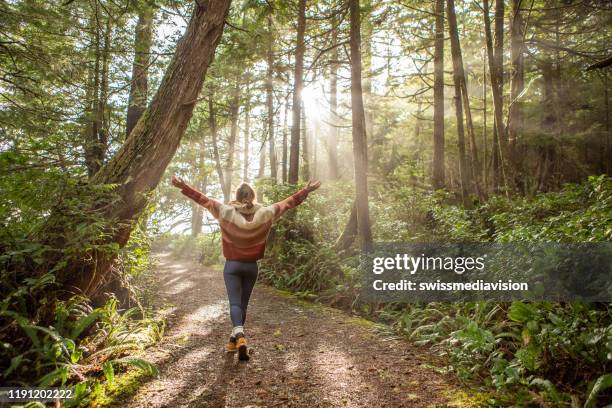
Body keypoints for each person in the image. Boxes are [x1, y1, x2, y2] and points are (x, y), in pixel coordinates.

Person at [171, 175, 321, 361]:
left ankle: (239, 336)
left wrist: (183, 186)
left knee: (234, 304)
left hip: (232, 265)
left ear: (237, 195)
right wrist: (306, 190)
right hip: (252, 267)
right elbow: (289, 202)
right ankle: (234, 341)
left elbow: (202, 199)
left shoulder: (225, 211)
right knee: (243, 305)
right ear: (253, 196)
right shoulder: (266, 213)